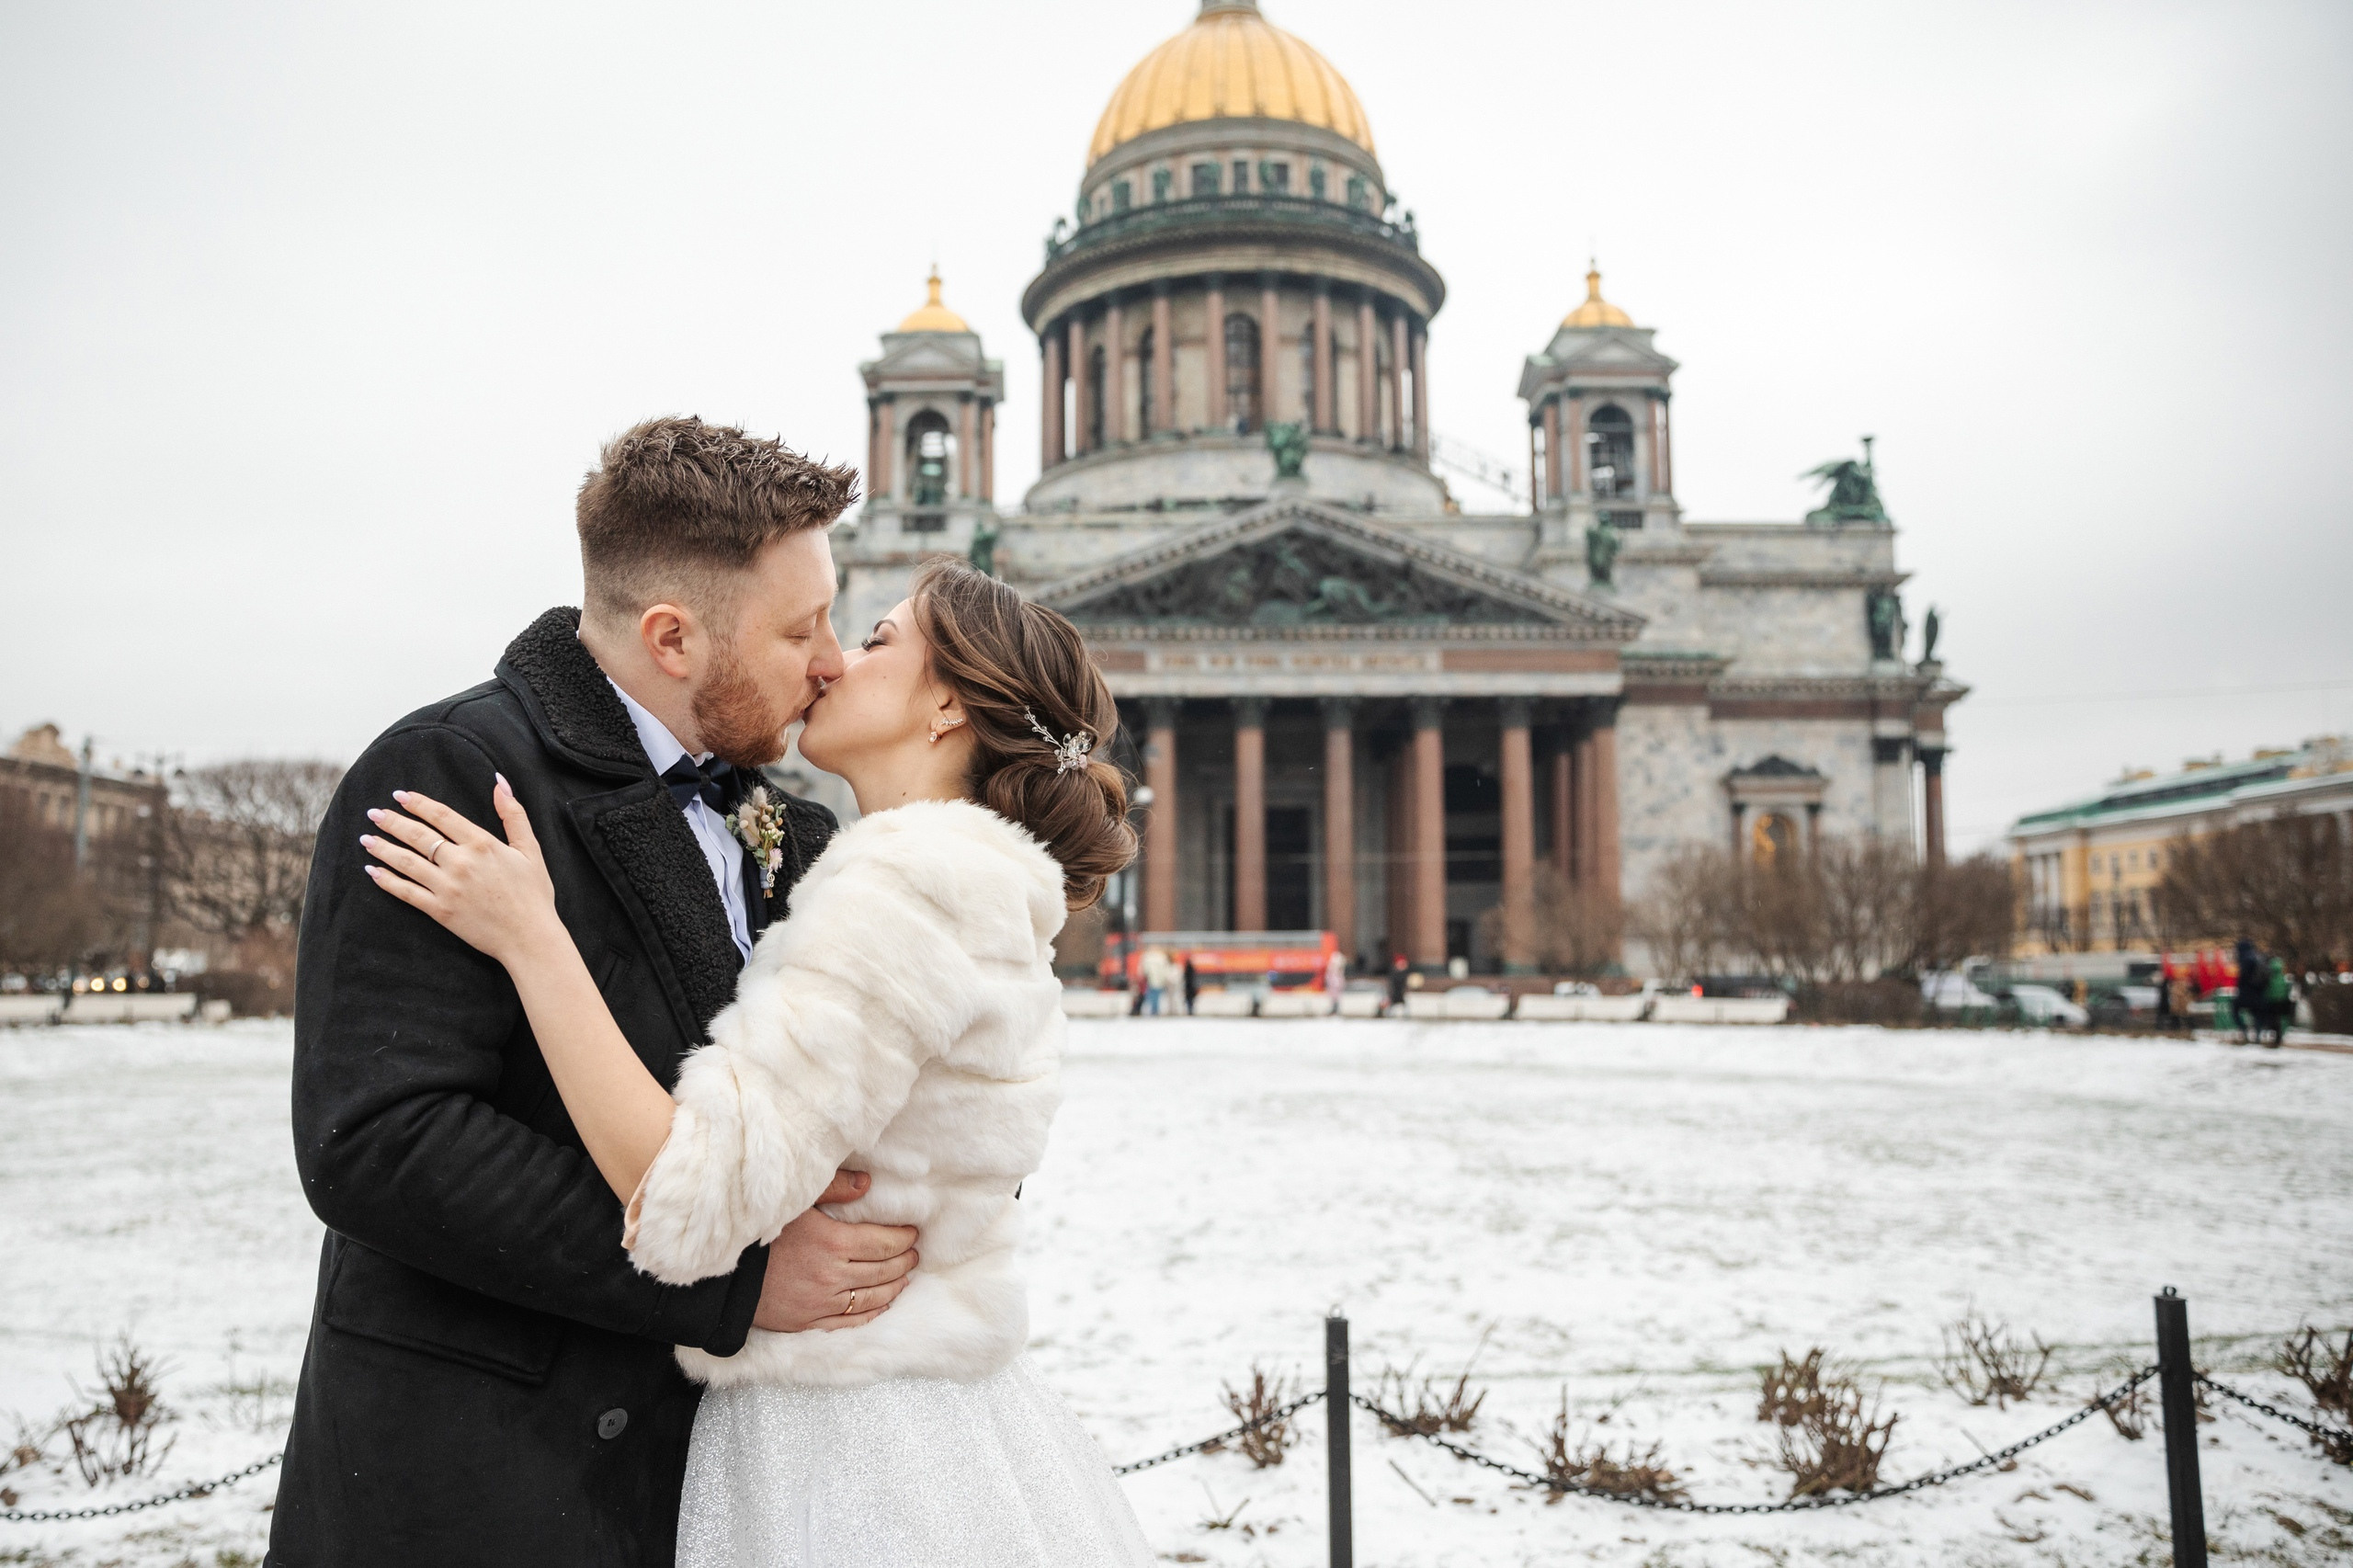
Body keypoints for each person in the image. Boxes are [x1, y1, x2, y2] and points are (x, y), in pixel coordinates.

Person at [357, 557, 1154, 1565]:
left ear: (949, 704)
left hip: (841, 1438)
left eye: (876, 639)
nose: (833, 661)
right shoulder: (983, 883)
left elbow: (687, 1200)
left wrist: (531, 937)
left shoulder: (904, 887)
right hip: (946, 1419)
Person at [270, 419, 923, 1568]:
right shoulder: (447, 773)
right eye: (798, 628)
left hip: (711, 1483)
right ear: (672, 637)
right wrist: (731, 1277)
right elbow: (377, 1140)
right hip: (482, 1481)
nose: (830, 661)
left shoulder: (789, 825)